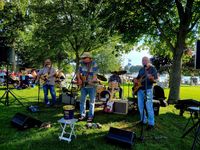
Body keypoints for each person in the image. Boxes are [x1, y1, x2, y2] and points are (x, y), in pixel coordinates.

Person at [133, 56, 158, 130]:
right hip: (140, 90)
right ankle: (143, 120)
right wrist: (135, 80)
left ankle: (151, 123)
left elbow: (155, 80)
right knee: (140, 106)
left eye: (145, 60)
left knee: (149, 106)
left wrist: (151, 78)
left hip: (148, 90)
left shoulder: (153, 69)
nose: (143, 61)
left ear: (148, 61)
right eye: (142, 60)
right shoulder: (141, 69)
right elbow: (138, 78)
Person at [76, 52, 98, 122]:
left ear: (89, 58)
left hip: (92, 86)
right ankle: (82, 115)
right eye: (83, 58)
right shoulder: (81, 64)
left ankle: (90, 116)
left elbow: (95, 76)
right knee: (82, 101)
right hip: (83, 86)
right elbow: (78, 73)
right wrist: (79, 79)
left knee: (92, 102)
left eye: (85, 58)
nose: (83, 59)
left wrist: (91, 81)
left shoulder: (94, 64)